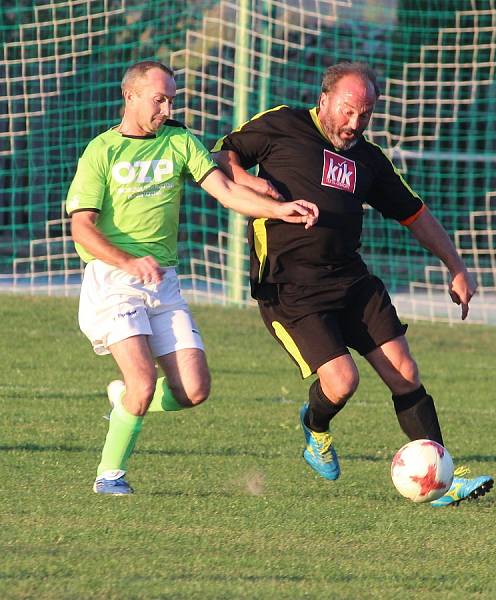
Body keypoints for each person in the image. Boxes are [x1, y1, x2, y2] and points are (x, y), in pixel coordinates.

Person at [212, 61, 493, 507]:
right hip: (290, 288)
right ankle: (316, 428)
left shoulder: (368, 159)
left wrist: (455, 265)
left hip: (350, 279)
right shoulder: (282, 123)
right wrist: (248, 181)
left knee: (405, 373)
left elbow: (414, 214)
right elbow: (223, 152)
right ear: (324, 100)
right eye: (347, 111)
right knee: (342, 382)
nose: (354, 123)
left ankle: (444, 475)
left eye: (365, 114)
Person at [67, 61, 319, 495]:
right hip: (112, 281)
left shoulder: (180, 140)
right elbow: (82, 227)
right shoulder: (101, 151)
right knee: (144, 382)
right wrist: (128, 261)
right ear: (130, 97)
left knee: (195, 390)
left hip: (162, 283)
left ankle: (125, 401)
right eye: (158, 99)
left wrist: (280, 209)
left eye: (171, 100)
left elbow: (225, 190)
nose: (166, 108)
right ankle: (109, 476)